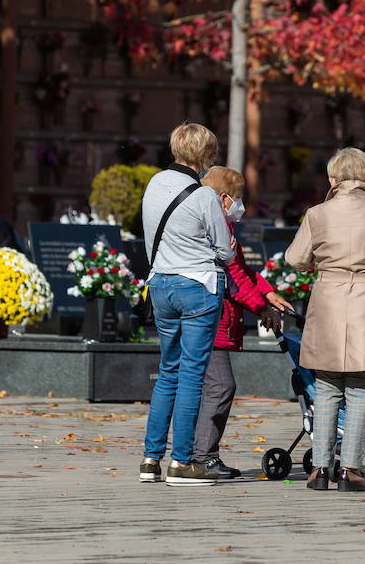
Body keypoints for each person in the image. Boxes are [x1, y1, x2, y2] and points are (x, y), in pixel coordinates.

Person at [285, 147, 365, 492]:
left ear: (333, 179)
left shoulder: (317, 214)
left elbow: (295, 258)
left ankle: (319, 469)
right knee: (360, 389)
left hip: (329, 301)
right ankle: (351, 470)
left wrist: (319, 262)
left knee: (326, 387)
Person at [138, 123, 233, 487]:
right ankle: (182, 462)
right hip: (197, 285)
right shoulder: (205, 195)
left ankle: (151, 460)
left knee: (168, 372)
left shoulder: (154, 183)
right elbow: (224, 250)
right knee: (193, 374)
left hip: (160, 284)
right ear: (207, 154)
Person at [192, 167, 291, 478]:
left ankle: (197, 454)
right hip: (213, 319)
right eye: (238, 198)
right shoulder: (218, 228)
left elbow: (244, 271)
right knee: (221, 386)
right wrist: (262, 308)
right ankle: (203, 456)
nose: (240, 204)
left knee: (210, 388)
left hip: (216, 318)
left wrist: (268, 291)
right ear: (224, 199)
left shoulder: (223, 226)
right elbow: (234, 278)